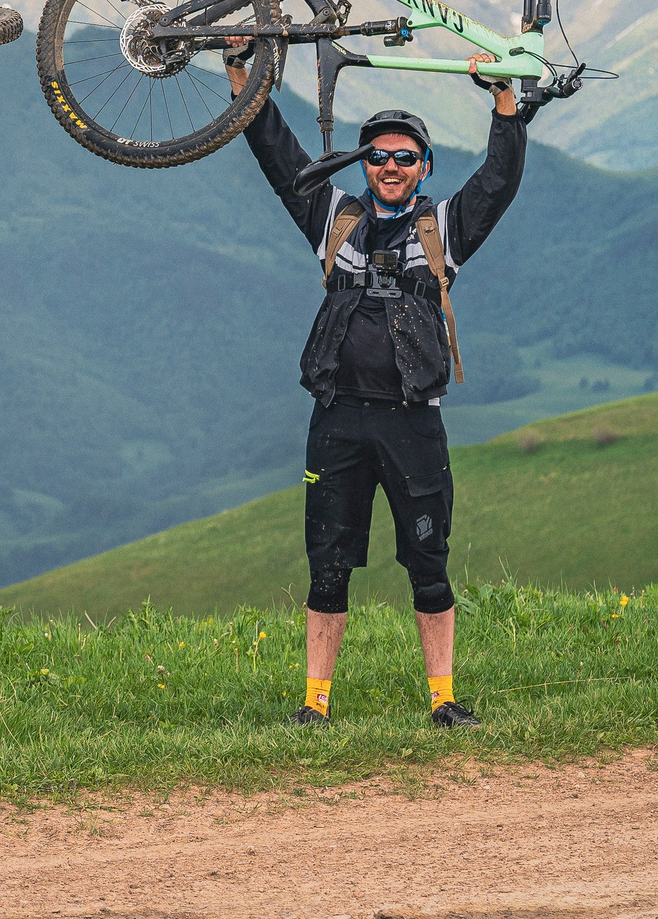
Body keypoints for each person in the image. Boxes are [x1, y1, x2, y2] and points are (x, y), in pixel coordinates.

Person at [227, 51, 537, 728]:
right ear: (363, 164)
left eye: (404, 157)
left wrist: (504, 102)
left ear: (425, 166)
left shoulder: (442, 230)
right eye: (377, 156)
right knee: (327, 566)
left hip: (412, 423)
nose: (389, 166)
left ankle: (444, 700)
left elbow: (499, 181)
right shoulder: (332, 217)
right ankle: (313, 705)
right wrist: (239, 75)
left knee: (429, 562)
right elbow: (275, 150)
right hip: (336, 420)